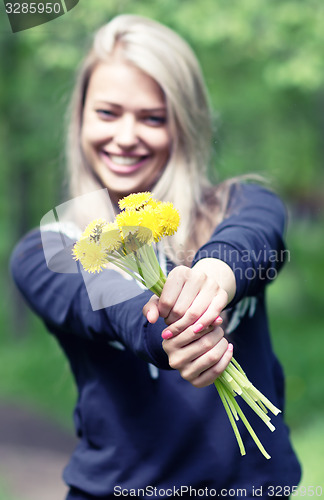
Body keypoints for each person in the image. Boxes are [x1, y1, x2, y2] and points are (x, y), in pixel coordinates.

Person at [10, 14, 301, 500]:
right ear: (79, 118)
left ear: (183, 123)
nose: (126, 136)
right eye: (107, 113)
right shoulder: (50, 246)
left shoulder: (241, 204)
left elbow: (253, 239)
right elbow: (111, 304)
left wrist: (213, 277)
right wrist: (165, 335)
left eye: (152, 117)